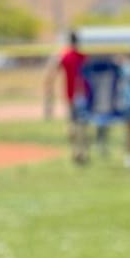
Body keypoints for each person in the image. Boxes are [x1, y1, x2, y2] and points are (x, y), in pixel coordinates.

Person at [43, 31, 91, 165]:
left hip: (71, 94)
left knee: (72, 123)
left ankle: (76, 151)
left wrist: (49, 89)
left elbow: (52, 72)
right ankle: (82, 151)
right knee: (82, 124)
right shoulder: (83, 56)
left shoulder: (66, 56)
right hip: (83, 94)